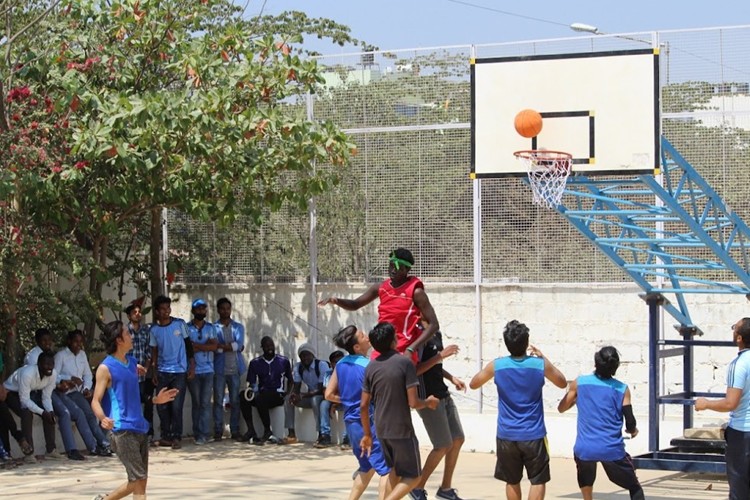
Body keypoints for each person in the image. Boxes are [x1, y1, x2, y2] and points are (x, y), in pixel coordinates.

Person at [469, 320, 567, 500]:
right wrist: (544, 358)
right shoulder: (539, 365)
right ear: (527, 342)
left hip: (506, 434)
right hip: (534, 434)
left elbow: (474, 384)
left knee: (512, 480)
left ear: (507, 344)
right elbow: (562, 382)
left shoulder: (497, 365)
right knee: (538, 480)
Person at [91, 320, 179, 500]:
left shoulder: (132, 363)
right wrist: (102, 417)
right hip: (122, 430)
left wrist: (155, 399)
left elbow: (134, 395)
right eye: (127, 334)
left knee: (140, 481)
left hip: (140, 427)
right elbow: (95, 401)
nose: (131, 337)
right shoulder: (105, 368)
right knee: (138, 479)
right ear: (118, 340)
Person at [361, 322, 439, 500]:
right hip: (401, 429)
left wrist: (367, 434)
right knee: (413, 477)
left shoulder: (371, 367)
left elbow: (364, 405)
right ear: (392, 341)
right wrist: (428, 402)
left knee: (394, 472)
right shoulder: (405, 363)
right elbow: (413, 402)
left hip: (381, 429)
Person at [318, 248, 440, 362]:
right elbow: (355, 304)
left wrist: (411, 348)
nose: (392, 270)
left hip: (404, 350)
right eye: (391, 266)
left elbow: (434, 325)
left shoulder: (416, 292)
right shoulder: (381, 287)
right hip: (381, 348)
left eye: (397, 268)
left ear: (406, 270)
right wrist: (335, 300)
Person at [558, 346, 644, 500]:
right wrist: (633, 431)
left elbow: (561, 408)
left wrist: (577, 398)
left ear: (596, 362)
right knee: (634, 486)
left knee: (586, 474)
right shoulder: (622, 389)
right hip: (611, 449)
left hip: (585, 448)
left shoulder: (580, 383)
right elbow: (630, 421)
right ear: (615, 367)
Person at [325, 325, 391, 500]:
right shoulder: (368, 365)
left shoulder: (340, 364)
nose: (366, 336)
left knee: (366, 467)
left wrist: (347, 400)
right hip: (368, 422)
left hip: (351, 423)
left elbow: (328, 394)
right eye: (362, 336)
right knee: (387, 469)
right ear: (356, 347)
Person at [696, 317, 750, 500]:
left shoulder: (739, 364)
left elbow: (730, 403)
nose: (733, 330)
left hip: (743, 434)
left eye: (734, 327)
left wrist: (705, 404)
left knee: (740, 489)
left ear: (739, 338)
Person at [410, 333, 466, 500]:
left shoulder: (436, 334)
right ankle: (417, 487)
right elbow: (414, 370)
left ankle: (445, 488)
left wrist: (451, 378)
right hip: (428, 398)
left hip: (443, 394)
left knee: (457, 439)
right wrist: (441, 355)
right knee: (442, 445)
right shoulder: (416, 337)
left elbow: (435, 366)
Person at [23, 328, 93, 460]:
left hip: (50, 390)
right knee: (58, 412)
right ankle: (32, 453)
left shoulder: (48, 354)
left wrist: (61, 383)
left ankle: (53, 449)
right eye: (44, 341)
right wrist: (61, 383)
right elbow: (38, 379)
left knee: (71, 412)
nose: (47, 343)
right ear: (37, 341)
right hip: (34, 392)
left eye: (49, 341)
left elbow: (52, 376)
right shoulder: (33, 356)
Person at [3, 351, 77, 461]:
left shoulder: (53, 374)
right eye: (46, 364)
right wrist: (42, 412)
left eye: (51, 364)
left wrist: (49, 411)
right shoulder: (27, 374)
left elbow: (46, 397)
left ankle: (51, 450)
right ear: (38, 364)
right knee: (27, 413)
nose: (49, 367)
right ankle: (29, 453)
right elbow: (24, 400)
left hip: (32, 392)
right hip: (11, 393)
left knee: (49, 414)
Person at [55, 329, 113, 456]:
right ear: (69, 341)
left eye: (80, 342)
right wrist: (68, 379)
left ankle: (104, 444)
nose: (78, 345)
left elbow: (87, 374)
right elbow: (53, 376)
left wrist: (86, 388)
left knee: (90, 414)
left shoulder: (82, 355)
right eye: (76, 342)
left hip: (77, 393)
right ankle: (93, 447)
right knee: (80, 414)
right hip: (63, 393)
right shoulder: (61, 356)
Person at [149, 295, 195, 449]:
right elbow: (154, 350)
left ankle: (176, 437)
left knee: (176, 405)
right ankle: (165, 436)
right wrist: (154, 371)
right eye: (162, 309)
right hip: (162, 371)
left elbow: (189, 345)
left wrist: (191, 364)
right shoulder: (154, 330)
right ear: (157, 311)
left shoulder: (180, 324)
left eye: (168, 308)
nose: (166, 311)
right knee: (161, 406)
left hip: (179, 372)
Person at [242, 336, 294, 444]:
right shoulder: (255, 363)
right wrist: (252, 391)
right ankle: (251, 430)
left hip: (277, 394)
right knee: (243, 396)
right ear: (262, 347)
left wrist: (287, 393)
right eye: (267, 346)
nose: (270, 348)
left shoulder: (283, 361)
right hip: (262, 394)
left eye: (271, 345)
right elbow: (252, 382)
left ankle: (267, 431)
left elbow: (290, 380)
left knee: (261, 398)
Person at [212, 297, 246, 441]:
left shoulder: (238, 327)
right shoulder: (213, 328)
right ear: (218, 310)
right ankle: (218, 430)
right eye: (223, 308)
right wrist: (230, 347)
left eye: (228, 308)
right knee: (218, 401)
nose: (225, 311)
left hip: (235, 369)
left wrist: (222, 346)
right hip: (219, 369)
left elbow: (239, 345)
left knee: (235, 401)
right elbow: (214, 348)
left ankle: (235, 430)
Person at [186, 299, 218, 445]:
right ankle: (197, 433)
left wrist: (198, 346)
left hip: (208, 370)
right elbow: (188, 347)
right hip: (193, 370)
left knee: (205, 403)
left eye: (203, 309)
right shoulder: (187, 328)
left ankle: (204, 434)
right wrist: (204, 346)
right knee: (197, 403)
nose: (201, 312)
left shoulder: (210, 327)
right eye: (198, 309)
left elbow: (214, 346)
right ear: (193, 311)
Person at [287, 343, 331, 447]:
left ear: (313, 355)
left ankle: (321, 434)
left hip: (323, 395)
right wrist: (294, 395)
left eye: (307, 355)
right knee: (288, 399)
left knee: (315, 400)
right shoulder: (298, 367)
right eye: (302, 355)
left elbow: (321, 389)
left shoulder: (321, 365)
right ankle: (291, 433)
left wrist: (302, 395)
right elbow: (297, 386)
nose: (305, 358)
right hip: (309, 396)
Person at [125, 301, 155, 439]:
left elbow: (149, 351)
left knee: (147, 402)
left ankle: (148, 433)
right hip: (128, 374)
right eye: (134, 312)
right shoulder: (125, 331)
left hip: (143, 375)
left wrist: (147, 368)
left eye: (139, 312)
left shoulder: (146, 330)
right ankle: (132, 432)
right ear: (129, 316)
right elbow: (122, 353)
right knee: (131, 403)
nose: (138, 314)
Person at [321, 350, 349, 448]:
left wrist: (335, 404)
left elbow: (347, 393)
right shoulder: (328, 373)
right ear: (331, 364)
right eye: (335, 362)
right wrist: (333, 403)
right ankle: (325, 436)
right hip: (333, 399)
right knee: (324, 404)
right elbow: (325, 391)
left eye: (340, 361)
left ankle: (347, 438)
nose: (338, 364)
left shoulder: (348, 373)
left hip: (345, 399)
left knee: (349, 405)